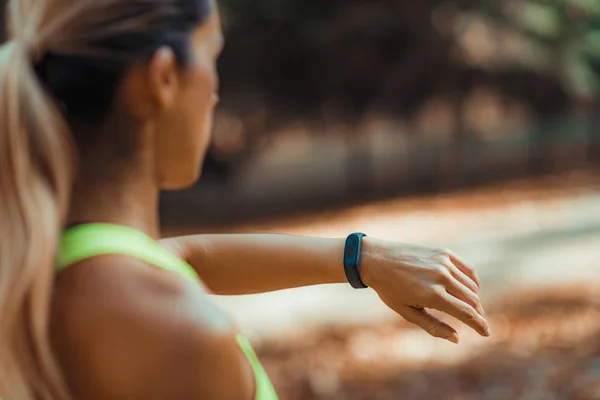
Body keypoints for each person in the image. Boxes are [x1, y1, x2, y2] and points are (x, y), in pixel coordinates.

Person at [0, 0, 491, 398]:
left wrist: (363, 258)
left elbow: (186, 258)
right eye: (212, 55)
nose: (215, 92)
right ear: (164, 78)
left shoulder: (55, 270)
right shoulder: (179, 335)